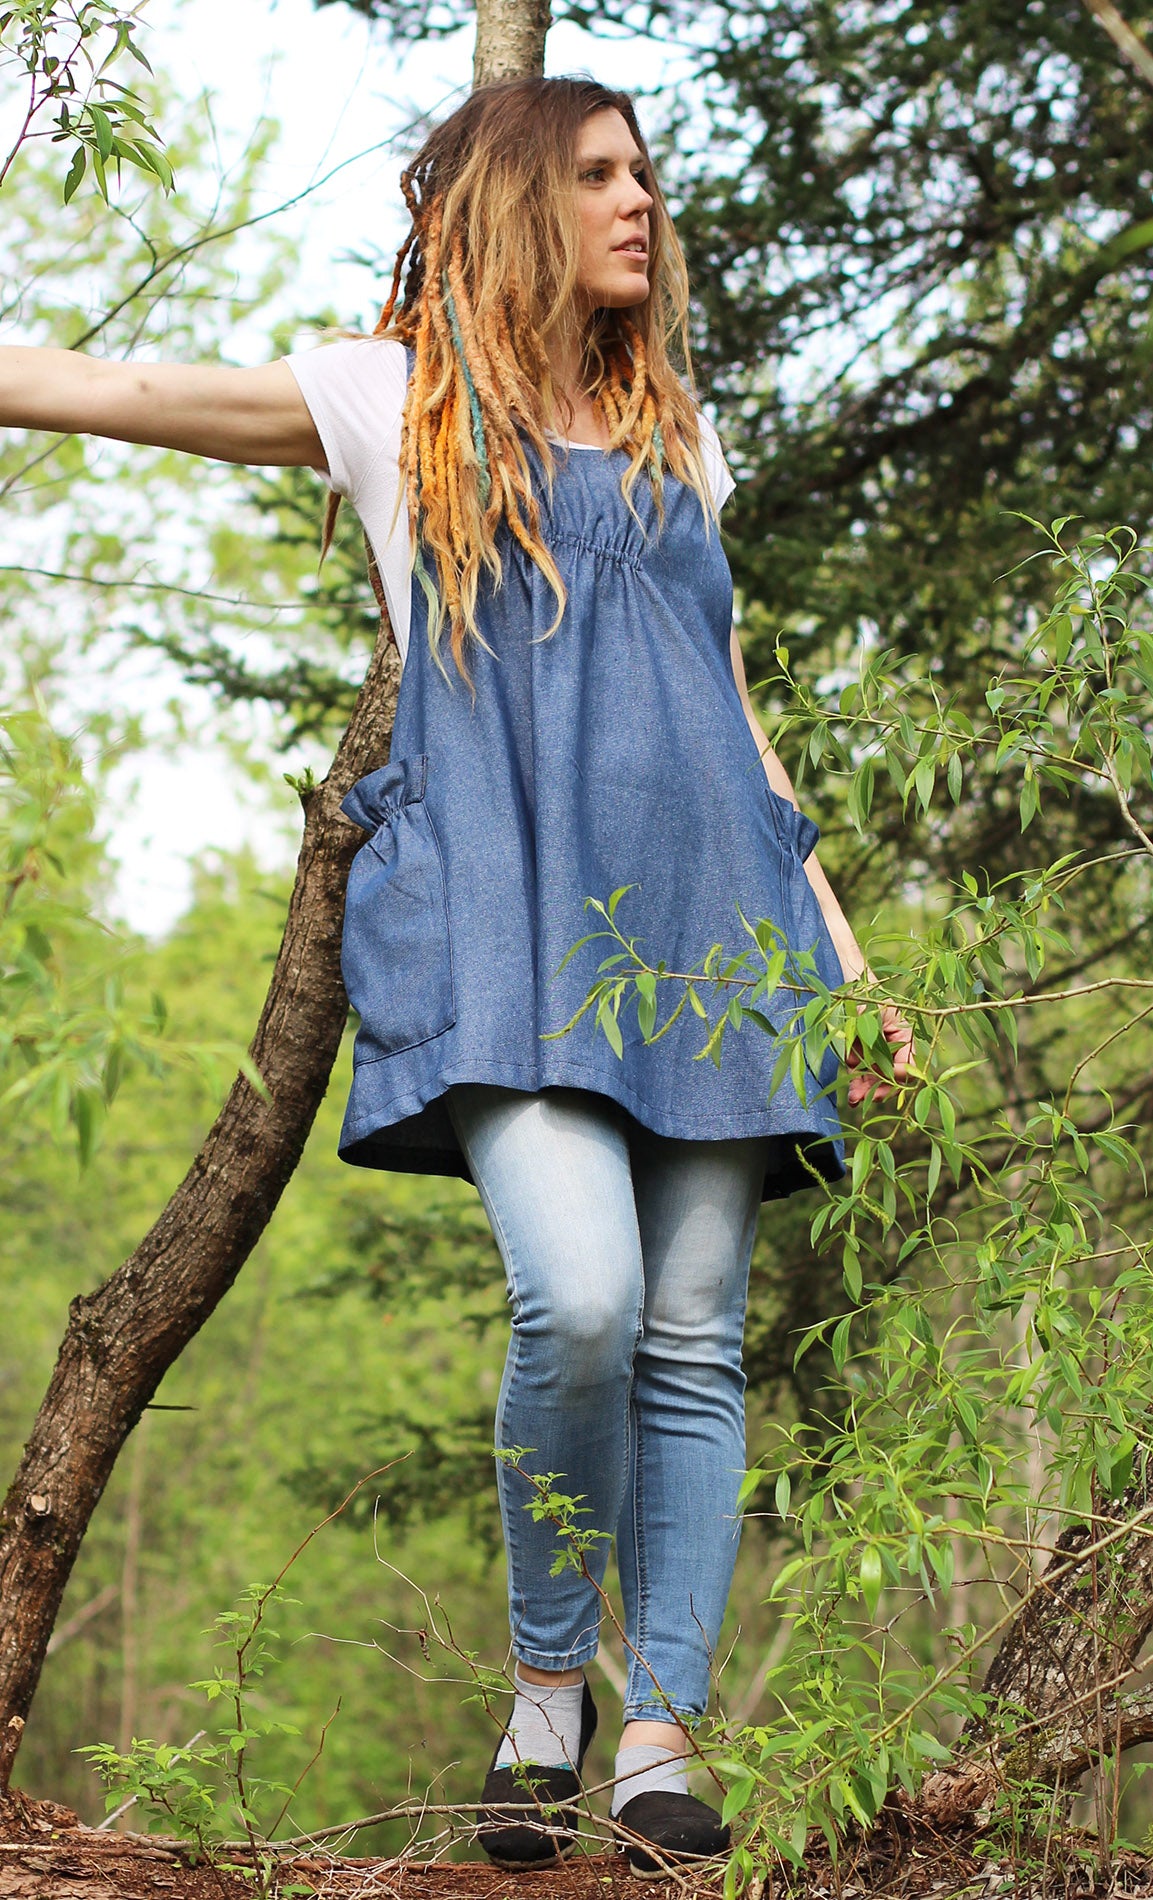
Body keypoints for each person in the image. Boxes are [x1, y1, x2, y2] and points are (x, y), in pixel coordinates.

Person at [0, 75, 912, 1874]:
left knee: (689, 1337)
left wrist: (850, 967)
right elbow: (128, 390)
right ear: (513, 206)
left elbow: (743, 730)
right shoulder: (390, 399)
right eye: (596, 175)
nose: (639, 200)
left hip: (717, 936)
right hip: (510, 932)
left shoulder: (674, 439)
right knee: (576, 1300)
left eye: (642, 171)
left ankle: (658, 1736)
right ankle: (543, 1690)